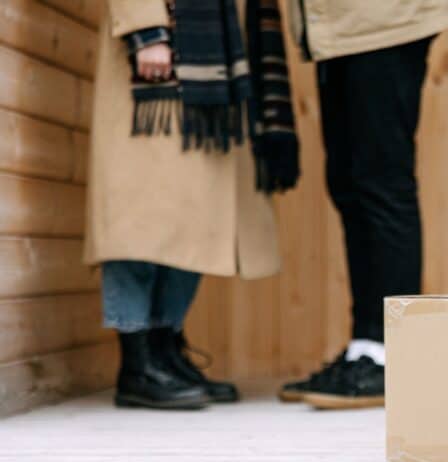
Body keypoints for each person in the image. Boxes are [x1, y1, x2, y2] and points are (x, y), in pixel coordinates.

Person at [87, 0, 300, 409]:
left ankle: (165, 351)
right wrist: (146, 30)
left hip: (212, 68)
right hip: (156, 55)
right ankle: (137, 362)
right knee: (138, 218)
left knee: (194, 218)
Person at [278, 0, 448, 409]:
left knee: (382, 182)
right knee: (349, 183)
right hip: (340, 29)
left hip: (384, 20)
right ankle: (365, 347)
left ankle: (387, 353)